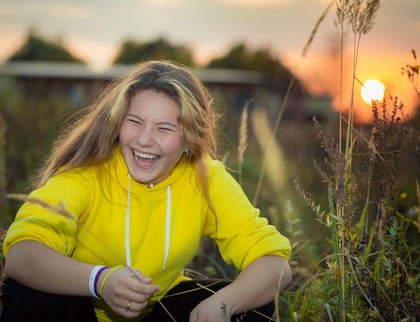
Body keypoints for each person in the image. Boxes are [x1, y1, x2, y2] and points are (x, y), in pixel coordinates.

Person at [0, 60, 292, 322]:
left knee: (252, 307)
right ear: (118, 123)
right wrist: (100, 281)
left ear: (189, 138)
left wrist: (223, 305)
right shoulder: (86, 173)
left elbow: (275, 264)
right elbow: (21, 255)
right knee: (28, 294)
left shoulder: (205, 176)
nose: (144, 140)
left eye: (164, 129)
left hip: (156, 312)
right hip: (81, 311)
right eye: (135, 122)